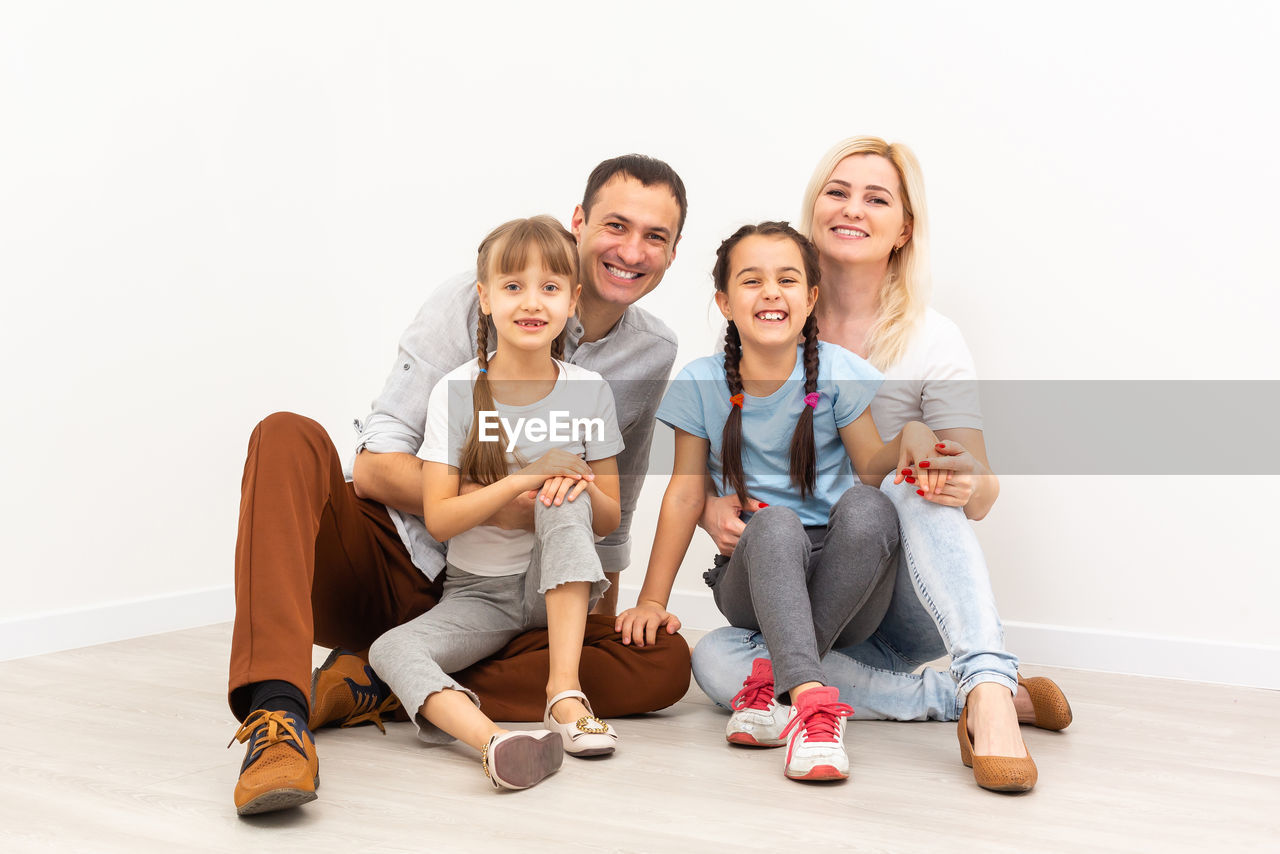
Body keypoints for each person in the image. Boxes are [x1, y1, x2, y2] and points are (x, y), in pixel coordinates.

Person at [227, 156, 690, 815]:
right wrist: (502, 495)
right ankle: (278, 715)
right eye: (617, 225)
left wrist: (600, 619)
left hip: (512, 595)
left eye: (656, 237)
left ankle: (374, 678)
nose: (632, 250)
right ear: (580, 223)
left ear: (673, 254)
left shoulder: (652, 350)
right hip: (401, 560)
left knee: (664, 663)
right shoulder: (470, 303)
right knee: (286, 434)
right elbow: (377, 466)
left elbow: (622, 495)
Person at [690, 138, 1072, 794]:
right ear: (813, 210)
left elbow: (981, 493)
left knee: (901, 484)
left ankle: (984, 682)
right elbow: (712, 468)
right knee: (717, 660)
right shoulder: (765, 317)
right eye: (837, 192)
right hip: (796, 594)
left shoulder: (931, 338)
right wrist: (707, 507)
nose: (852, 209)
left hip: (893, 599)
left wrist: (954, 474)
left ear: (905, 229)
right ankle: (947, 698)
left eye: (877, 198)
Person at [615, 221, 942, 781]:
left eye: (787, 279)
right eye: (751, 280)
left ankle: (772, 683)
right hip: (756, 569)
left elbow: (871, 470)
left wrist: (911, 436)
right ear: (724, 301)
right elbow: (686, 492)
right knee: (777, 524)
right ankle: (816, 706)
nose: (771, 291)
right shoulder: (699, 383)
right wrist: (651, 599)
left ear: (811, 298)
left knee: (871, 508)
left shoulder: (835, 374)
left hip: (845, 582)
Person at [369, 216, 623, 791]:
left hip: (555, 584)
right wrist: (521, 481)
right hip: (477, 593)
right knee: (391, 649)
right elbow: (439, 517)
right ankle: (497, 741)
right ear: (484, 298)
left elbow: (608, 519)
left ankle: (563, 692)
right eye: (512, 286)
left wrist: (574, 486)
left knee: (563, 500)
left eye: (550, 288)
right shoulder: (456, 391)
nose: (531, 302)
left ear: (572, 301)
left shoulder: (590, 390)